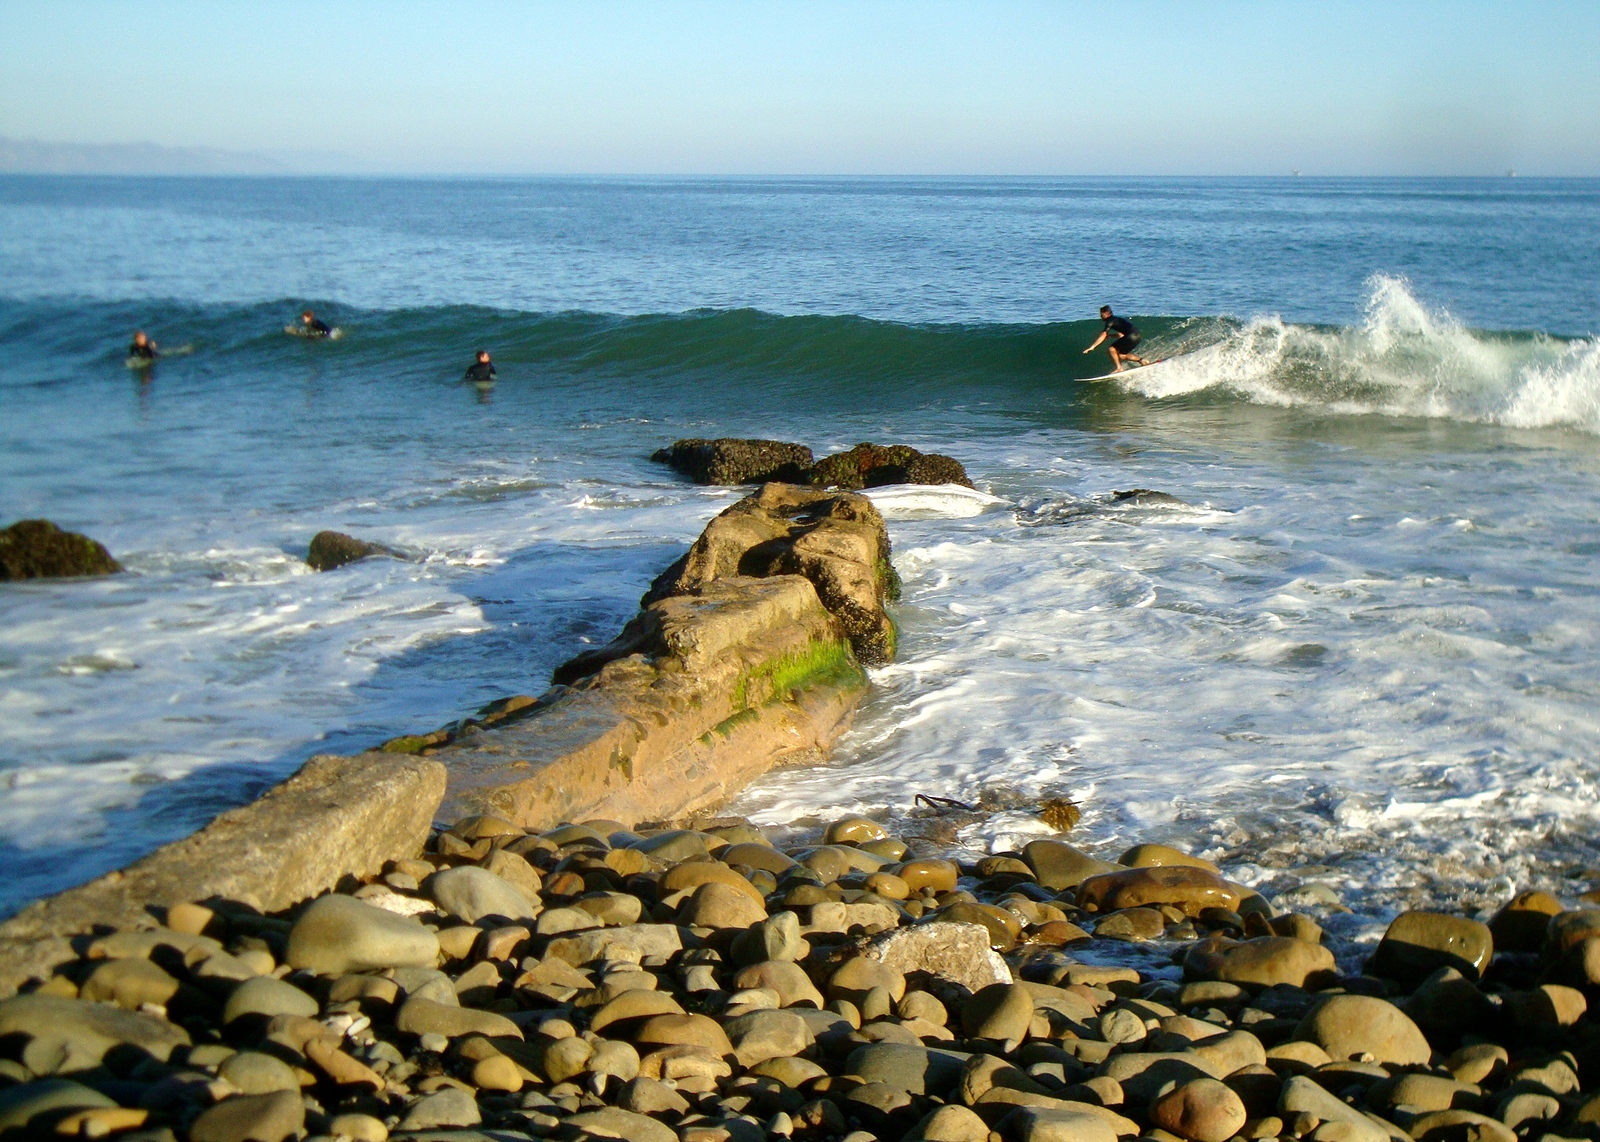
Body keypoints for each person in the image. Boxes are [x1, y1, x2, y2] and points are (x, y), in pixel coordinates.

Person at [1082, 305, 1150, 371]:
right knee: (1122, 355)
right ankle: (1142, 361)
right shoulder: (1118, 319)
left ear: (1106, 313)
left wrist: (1093, 347)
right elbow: (1121, 335)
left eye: (1101, 314)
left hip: (1130, 335)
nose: (1100, 316)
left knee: (1111, 349)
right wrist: (1111, 336)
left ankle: (1119, 368)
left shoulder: (1110, 321)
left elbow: (1103, 334)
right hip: (1137, 335)